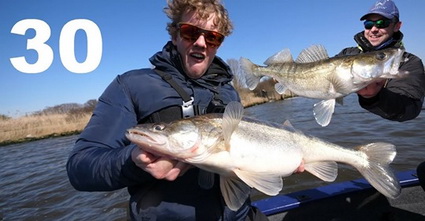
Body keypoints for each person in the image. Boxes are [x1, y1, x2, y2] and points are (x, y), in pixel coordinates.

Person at [66, 0, 271, 220]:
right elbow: (80, 167)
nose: (202, 43)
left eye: (212, 37)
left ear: (218, 44)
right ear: (174, 35)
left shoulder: (229, 92)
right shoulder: (131, 85)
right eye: (191, 32)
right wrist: (134, 161)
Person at [336, 0, 425, 122]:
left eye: (381, 23)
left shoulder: (410, 62)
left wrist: (373, 97)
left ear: (397, 26)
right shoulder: (346, 54)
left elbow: (409, 109)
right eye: (368, 24)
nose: (373, 29)